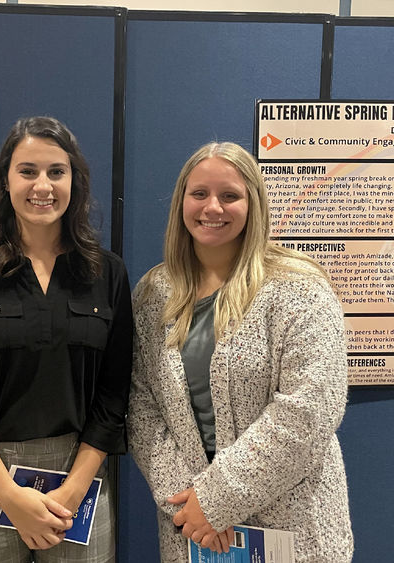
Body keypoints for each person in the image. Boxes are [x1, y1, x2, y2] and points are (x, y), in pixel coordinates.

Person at [128, 142, 353, 562]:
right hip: (192, 531)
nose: (212, 207)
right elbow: (142, 407)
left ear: (253, 204)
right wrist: (189, 506)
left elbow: (309, 412)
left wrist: (216, 500)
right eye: (199, 194)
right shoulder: (154, 293)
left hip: (293, 527)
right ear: (181, 202)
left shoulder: (299, 288)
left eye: (229, 195)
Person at [0, 116, 132, 562]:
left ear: (74, 182)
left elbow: (115, 392)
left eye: (56, 172)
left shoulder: (107, 272)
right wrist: (10, 495)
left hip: (77, 480)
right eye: (27, 171)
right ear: (6, 180)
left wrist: (74, 488)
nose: (42, 185)